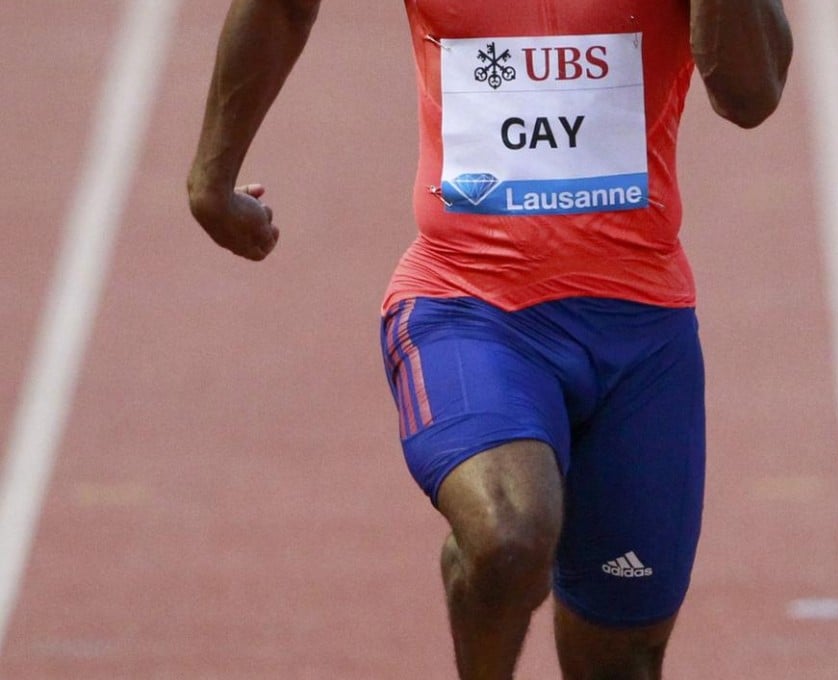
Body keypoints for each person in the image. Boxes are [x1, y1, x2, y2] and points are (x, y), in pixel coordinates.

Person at [187, 1, 792, 677]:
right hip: (469, 303)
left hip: (642, 333)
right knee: (509, 540)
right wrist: (212, 179)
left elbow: (750, 96)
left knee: (621, 660)